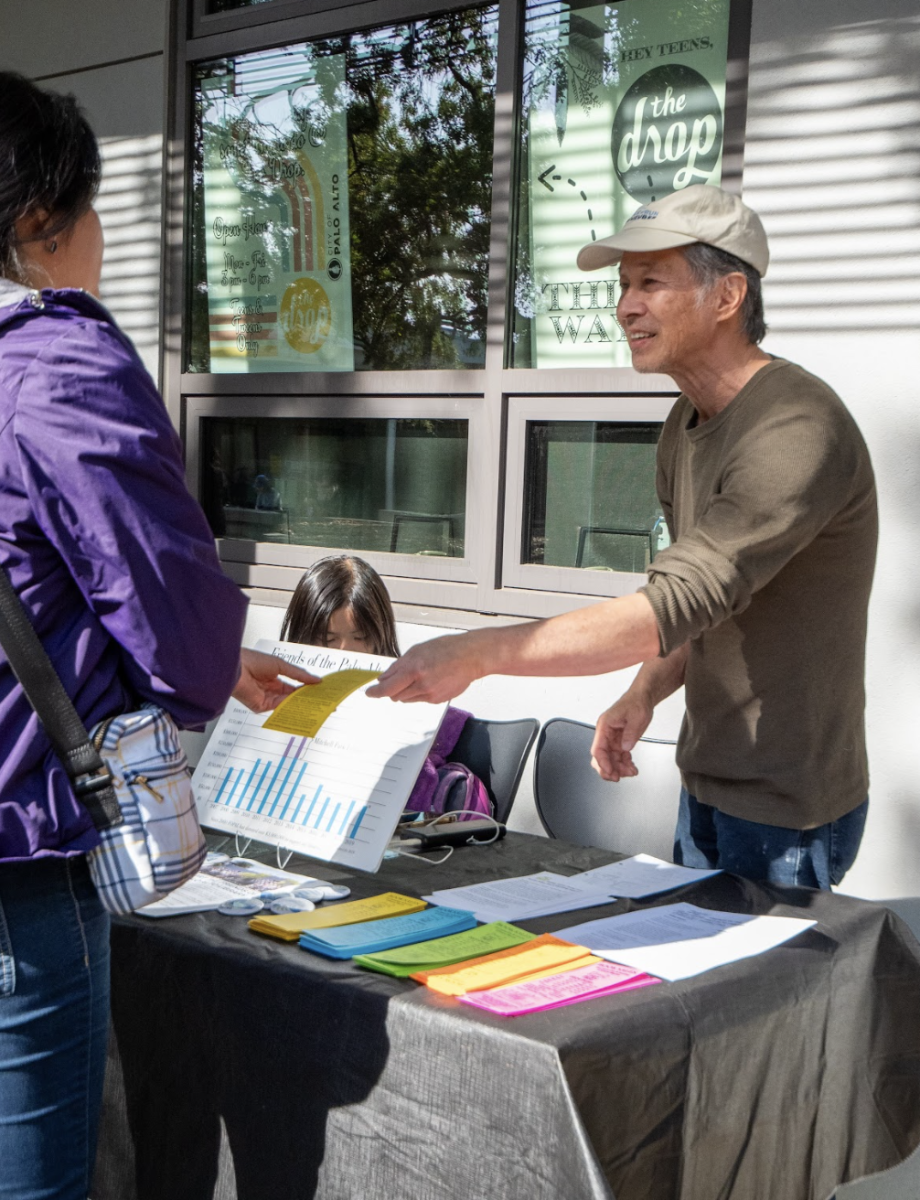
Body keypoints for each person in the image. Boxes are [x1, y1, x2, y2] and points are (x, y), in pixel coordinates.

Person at [369, 184, 878, 891]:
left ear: (727, 296)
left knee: (755, 1000)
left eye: (650, 282)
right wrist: (644, 694)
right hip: (706, 781)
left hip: (787, 810)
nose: (626, 306)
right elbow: (699, 609)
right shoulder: (685, 423)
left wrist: (481, 652)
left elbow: (674, 603)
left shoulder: (796, 429)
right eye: (623, 285)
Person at [0, 72, 315, 1200]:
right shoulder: (57, 364)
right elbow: (174, 635)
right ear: (44, 224)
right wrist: (202, 652)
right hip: (20, 865)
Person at [282, 555, 490, 817]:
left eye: (360, 637)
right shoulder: (273, 697)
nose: (346, 652)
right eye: (327, 639)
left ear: (381, 636)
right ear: (301, 636)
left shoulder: (411, 712)